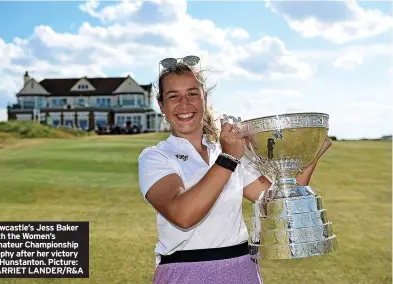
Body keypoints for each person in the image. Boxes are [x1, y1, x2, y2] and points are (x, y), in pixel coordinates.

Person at [137, 56, 332, 284]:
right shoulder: (156, 157)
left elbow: (280, 206)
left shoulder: (229, 151)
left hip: (242, 271)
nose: (184, 103)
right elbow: (183, 215)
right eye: (173, 96)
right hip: (185, 274)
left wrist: (311, 153)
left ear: (204, 98)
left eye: (192, 93)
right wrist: (228, 158)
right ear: (161, 105)